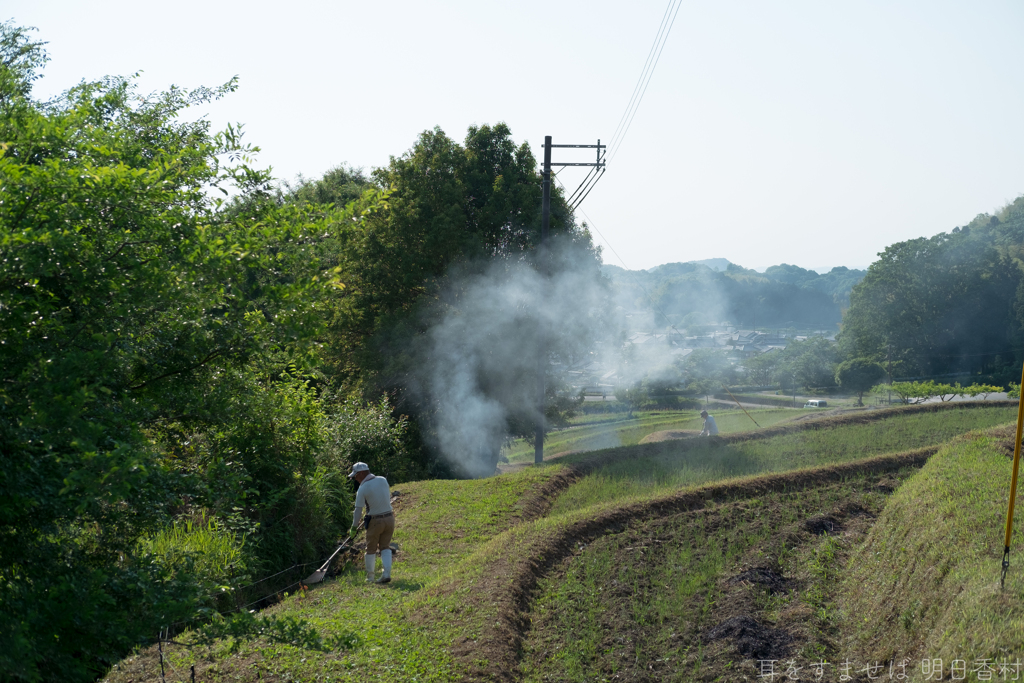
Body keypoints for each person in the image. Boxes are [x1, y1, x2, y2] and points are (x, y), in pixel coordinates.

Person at [349, 462, 395, 584]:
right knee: (385, 547)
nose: (355, 479)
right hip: (390, 518)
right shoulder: (383, 480)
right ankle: (386, 574)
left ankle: (370, 577)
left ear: (362, 473)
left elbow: (358, 510)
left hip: (375, 521)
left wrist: (354, 527)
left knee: (371, 549)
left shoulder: (363, 488)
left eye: (356, 476)